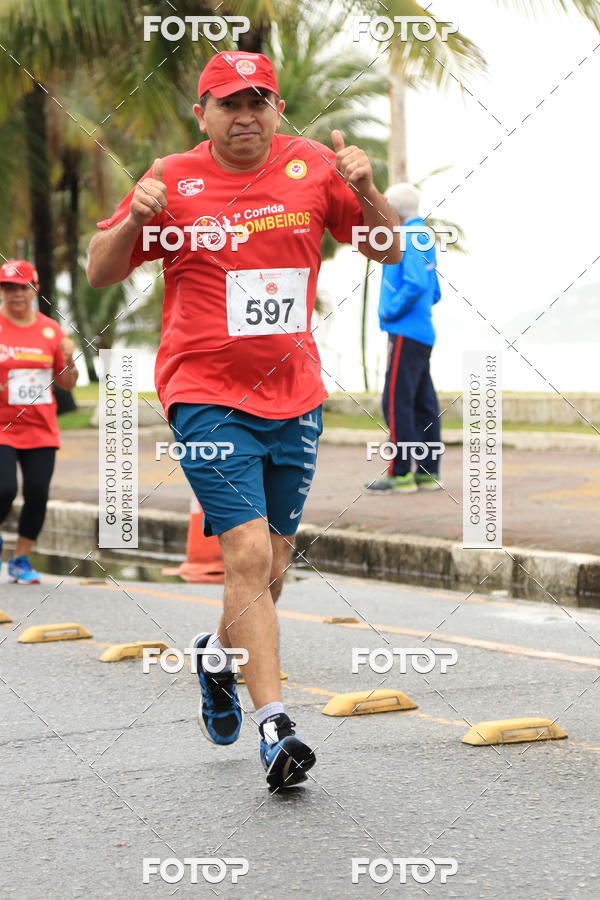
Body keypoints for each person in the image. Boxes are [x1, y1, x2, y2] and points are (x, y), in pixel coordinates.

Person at [87, 50, 400, 790]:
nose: (246, 115)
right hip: (204, 392)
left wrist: (367, 186)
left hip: (294, 396)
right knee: (248, 554)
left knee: (274, 568)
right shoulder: (172, 178)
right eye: (229, 103)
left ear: (278, 109)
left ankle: (215, 657)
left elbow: (388, 247)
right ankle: (276, 728)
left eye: (259, 100)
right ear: (203, 114)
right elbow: (101, 268)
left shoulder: (316, 167)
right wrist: (133, 220)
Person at [0, 260, 78, 583]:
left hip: (40, 428)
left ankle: (21, 558)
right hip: (3, 426)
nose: (17, 294)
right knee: (4, 490)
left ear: (35, 288)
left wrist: (70, 358)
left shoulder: (51, 330)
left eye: (23, 287)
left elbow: (67, 383)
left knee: (37, 492)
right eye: (9, 288)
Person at [367, 183, 443, 493]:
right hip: (422, 331)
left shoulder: (406, 237)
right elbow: (433, 289)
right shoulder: (423, 234)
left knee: (397, 402)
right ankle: (427, 472)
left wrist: (390, 313)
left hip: (404, 331)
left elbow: (414, 285)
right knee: (423, 402)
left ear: (391, 210)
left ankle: (400, 474)